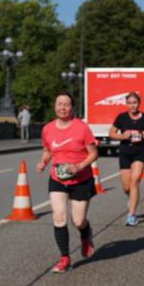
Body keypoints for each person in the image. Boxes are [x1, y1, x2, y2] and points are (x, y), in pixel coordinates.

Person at [36, 92, 98, 273]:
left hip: (81, 179)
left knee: (78, 221)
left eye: (66, 104)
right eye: (59, 104)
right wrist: (43, 162)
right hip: (58, 179)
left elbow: (93, 153)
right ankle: (64, 258)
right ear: (55, 107)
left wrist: (79, 166)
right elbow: (47, 150)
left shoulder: (82, 128)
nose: (62, 107)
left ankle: (86, 234)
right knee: (59, 217)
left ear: (72, 108)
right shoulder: (47, 129)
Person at [108, 92, 144, 226]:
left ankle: (131, 215)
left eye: (134, 103)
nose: (132, 105)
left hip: (140, 153)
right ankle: (131, 197)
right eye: (129, 103)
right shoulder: (121, 117)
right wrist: (122, 136)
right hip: (125, 153)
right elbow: (111, 133)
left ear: (139, 103)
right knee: (126, 187)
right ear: (126, 104)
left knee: (135, 182)